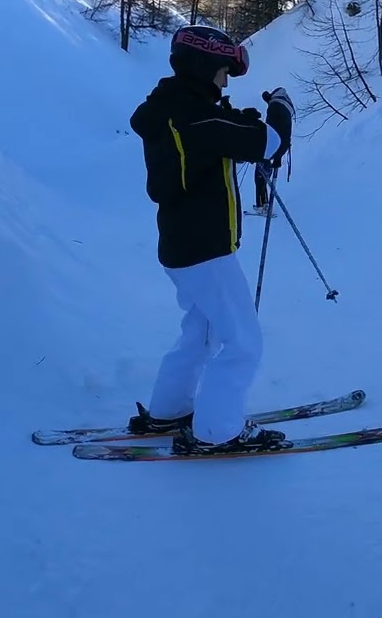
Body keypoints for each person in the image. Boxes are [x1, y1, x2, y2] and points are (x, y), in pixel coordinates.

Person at [126, 24, 295, 455]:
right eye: (223, 71)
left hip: (183, 246)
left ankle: (169, 409)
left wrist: (243, 120)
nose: (225, 80)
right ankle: (217, 430)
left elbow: (225, 131)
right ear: (203, 67)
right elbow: (269, 142)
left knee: (201, 330)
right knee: (243, 341)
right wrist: (280, 106)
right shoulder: (197, 115)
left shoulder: (177, 107)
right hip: (205, 249)